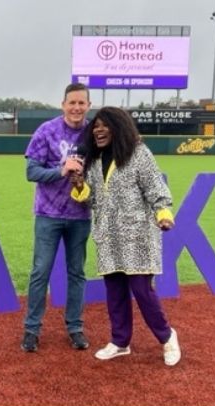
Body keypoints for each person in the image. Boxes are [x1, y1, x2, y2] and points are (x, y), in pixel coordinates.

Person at [70, 106, 181, 366]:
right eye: (95, 126)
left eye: (104, 125)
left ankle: (167, 337)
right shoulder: (95, 161)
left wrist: (163, 214)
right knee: (115, 291)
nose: (98, 130)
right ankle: (120, 342)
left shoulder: (139, 154)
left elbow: (155, 187)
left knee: (142, 290)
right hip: (108, 236)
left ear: (118, 127)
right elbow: (94, 199)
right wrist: (79, 187)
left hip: (137, 235)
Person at [21, 83, 92, 353]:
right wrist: (61, 170)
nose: (76, 108)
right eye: (71, 103)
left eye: (81, 103)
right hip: (48, 214)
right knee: (41, 272)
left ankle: (75, 328)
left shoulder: (93, 132)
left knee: (77, 273)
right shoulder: (47, 130)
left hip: (80, 215)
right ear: (63, 105)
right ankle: (31, 329)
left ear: (88, 105)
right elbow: (31, 172)